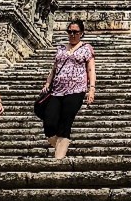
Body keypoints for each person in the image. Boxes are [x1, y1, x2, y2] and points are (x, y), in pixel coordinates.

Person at [38, 20, 95, 160]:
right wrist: (47, 82)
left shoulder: (86, 48)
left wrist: (91, 89)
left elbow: (91, 69)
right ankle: (60, 146)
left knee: (65, 122)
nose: (72, 34)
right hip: (57, 90)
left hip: (76, 90)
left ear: (81, 33)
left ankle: (58, 160)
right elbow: (54, 69)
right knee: (50, 122)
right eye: (69, 31)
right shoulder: (61, 49)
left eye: (75, 32)